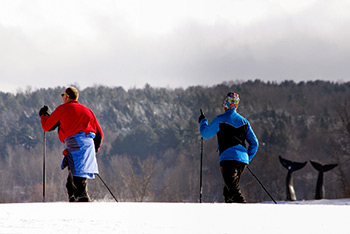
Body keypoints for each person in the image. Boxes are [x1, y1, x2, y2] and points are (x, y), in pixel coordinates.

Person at [39, 86, 104, 202]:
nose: (62, 97)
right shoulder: (87, 111)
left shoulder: (63, 109)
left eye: (62, 95)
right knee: (72, 182)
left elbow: (47, 126)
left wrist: (44, 115)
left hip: (74, 144)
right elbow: (99, 133)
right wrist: (94, 150)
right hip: (88, 145)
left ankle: (81, 203)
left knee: (77, 181)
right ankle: (75, 203)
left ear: (67, 97)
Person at [198, 92, 258, 203]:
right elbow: (255, 143)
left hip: (228, 159)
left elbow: (205, 134)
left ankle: (246, 212)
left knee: (234, 191)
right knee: (229, 191)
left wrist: (202, 121)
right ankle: (230, 215)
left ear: (226, 105)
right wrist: (247, 158)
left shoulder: (220, 119)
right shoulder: (244, 122)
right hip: (242, 161)